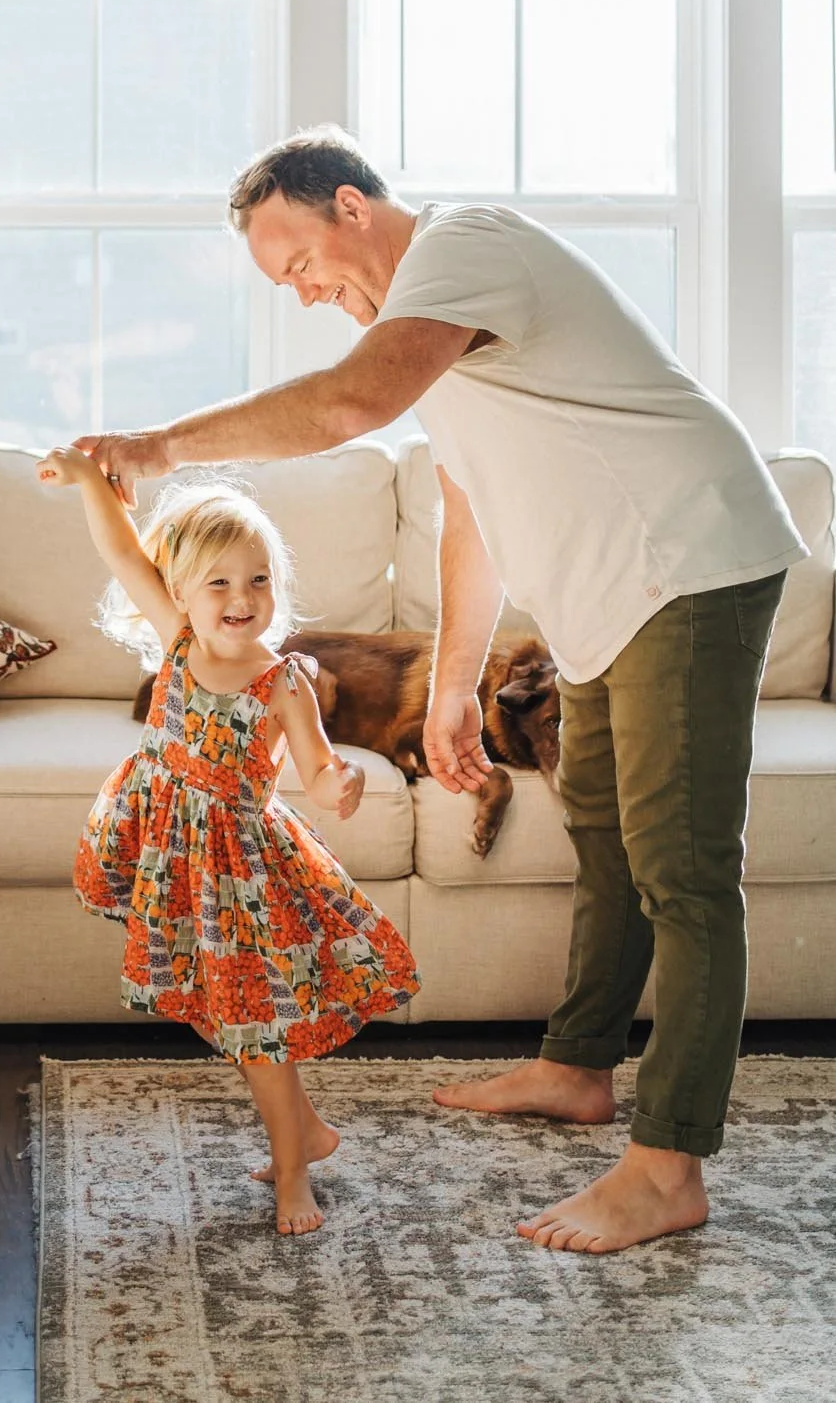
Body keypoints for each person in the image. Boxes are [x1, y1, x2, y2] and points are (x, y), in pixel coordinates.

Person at [78, 126, 806, 1256]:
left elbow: (341, 408)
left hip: (687, 559)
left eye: (302, 264)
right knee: (605, 838)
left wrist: (162, 445)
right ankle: (577, 1068)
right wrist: (452, 685)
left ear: (353, 208)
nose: (309, 295)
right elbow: (471, 514)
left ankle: (669, 1166)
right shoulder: (441, 342)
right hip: (604, 596)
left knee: (686, 872)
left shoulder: (464, 248)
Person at [39, 442, 420, 1238]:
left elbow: (314, 767)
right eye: (219, 583)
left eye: (258, 581)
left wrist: (338, 787)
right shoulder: (177, 642)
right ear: (181, 591)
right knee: (232, 1014)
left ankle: (292, 1172)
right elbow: (119, 547)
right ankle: (307, 1134)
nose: (241, 599)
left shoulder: (283, 680)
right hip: (172, 850)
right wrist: (85, 481)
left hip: (240, 870)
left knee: (254, 1023)